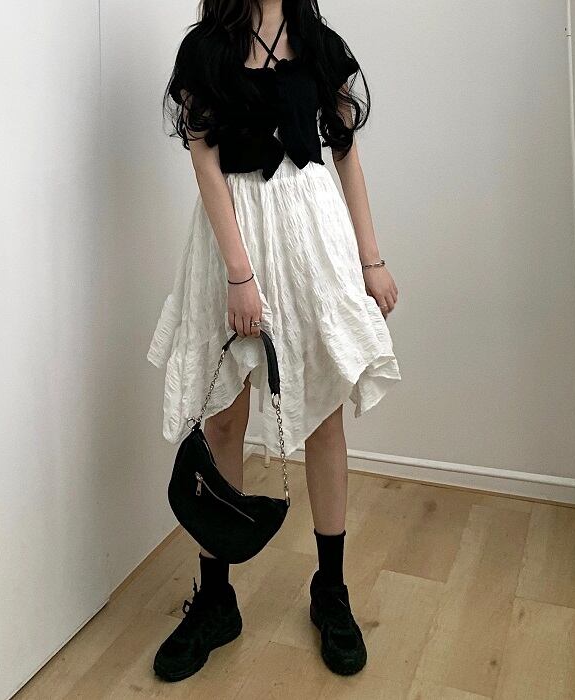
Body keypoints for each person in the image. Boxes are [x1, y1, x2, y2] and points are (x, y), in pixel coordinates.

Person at [147, 0, 401, 682]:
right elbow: (205, 163)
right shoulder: (207, 48)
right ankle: (216, 600)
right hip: (232, 236)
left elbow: (345, 154)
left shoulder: (318, 42)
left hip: (311, 233)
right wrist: (240, 275)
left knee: (324, 416)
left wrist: (371, 259)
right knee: (222, 420)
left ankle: (331, 591)